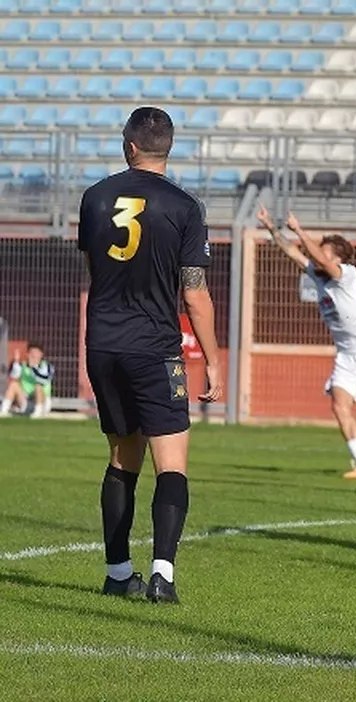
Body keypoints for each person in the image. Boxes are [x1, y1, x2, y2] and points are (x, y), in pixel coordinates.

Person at [79, 106, 223, 604]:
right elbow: (195, 294)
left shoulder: (94, 198)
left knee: (121, 459)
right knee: (172, 464)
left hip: (102, 344)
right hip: (155, 347)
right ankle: (162, 575)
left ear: (130, 146)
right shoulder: (184, 207)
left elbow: (96, 269)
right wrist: (213, 358)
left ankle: (118, 573)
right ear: (168, 147)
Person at [256, 206, 356, 480]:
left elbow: (320, 259)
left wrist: (299, 230)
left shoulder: (347, 274)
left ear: (339, 257)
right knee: (339, 406)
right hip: (345, 357)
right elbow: (292, 251)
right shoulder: (318, 277)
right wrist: (272, 227)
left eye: (325, 251)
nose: (319, 255)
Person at [1, 343, 53, 417]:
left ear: (41, 355)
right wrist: (16, 362)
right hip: (26, 400)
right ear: (28, 354)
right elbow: (14, 376)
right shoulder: (23, 365)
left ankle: (38, 412)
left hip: (42, 402)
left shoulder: (47, 366)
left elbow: (43, 379)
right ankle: (4, 411)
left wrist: (33, 368)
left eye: (36, 353)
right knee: (13, 384)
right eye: (32, 353)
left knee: (38, 387)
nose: (34, 356)